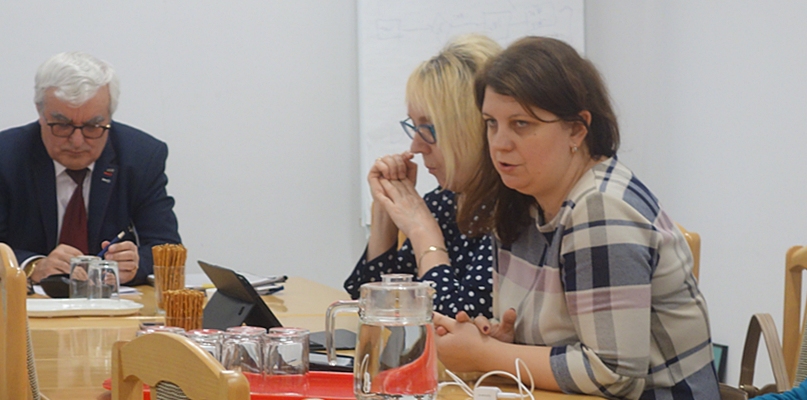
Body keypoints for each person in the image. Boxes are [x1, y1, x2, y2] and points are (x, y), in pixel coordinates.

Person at [433, 37, 719, 399]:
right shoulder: (524, 201)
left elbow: (614, 375)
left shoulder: (601, 207)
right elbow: (563, 345)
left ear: (577, 129)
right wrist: (508, 343)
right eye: (491, 123)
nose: (500, 143)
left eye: (521, 124)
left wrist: (488, 354)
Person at [344, 34, 501, 318]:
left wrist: (421, 231)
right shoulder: (444, 202)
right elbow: (369, 309)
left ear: (474, 128)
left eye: (428, 129)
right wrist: (385, 211)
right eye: (414, 127)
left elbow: (457, 318)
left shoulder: (514, 211)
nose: (416, 146)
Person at [0, 51, 181, 286]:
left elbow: (167, 248)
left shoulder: (141, 157)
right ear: (40, 113)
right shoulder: (6, 157)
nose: (77, 141)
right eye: (62, 125)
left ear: (109, 117)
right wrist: (32, 265)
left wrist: (136, 263)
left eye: (93, 126)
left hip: (111, 301)